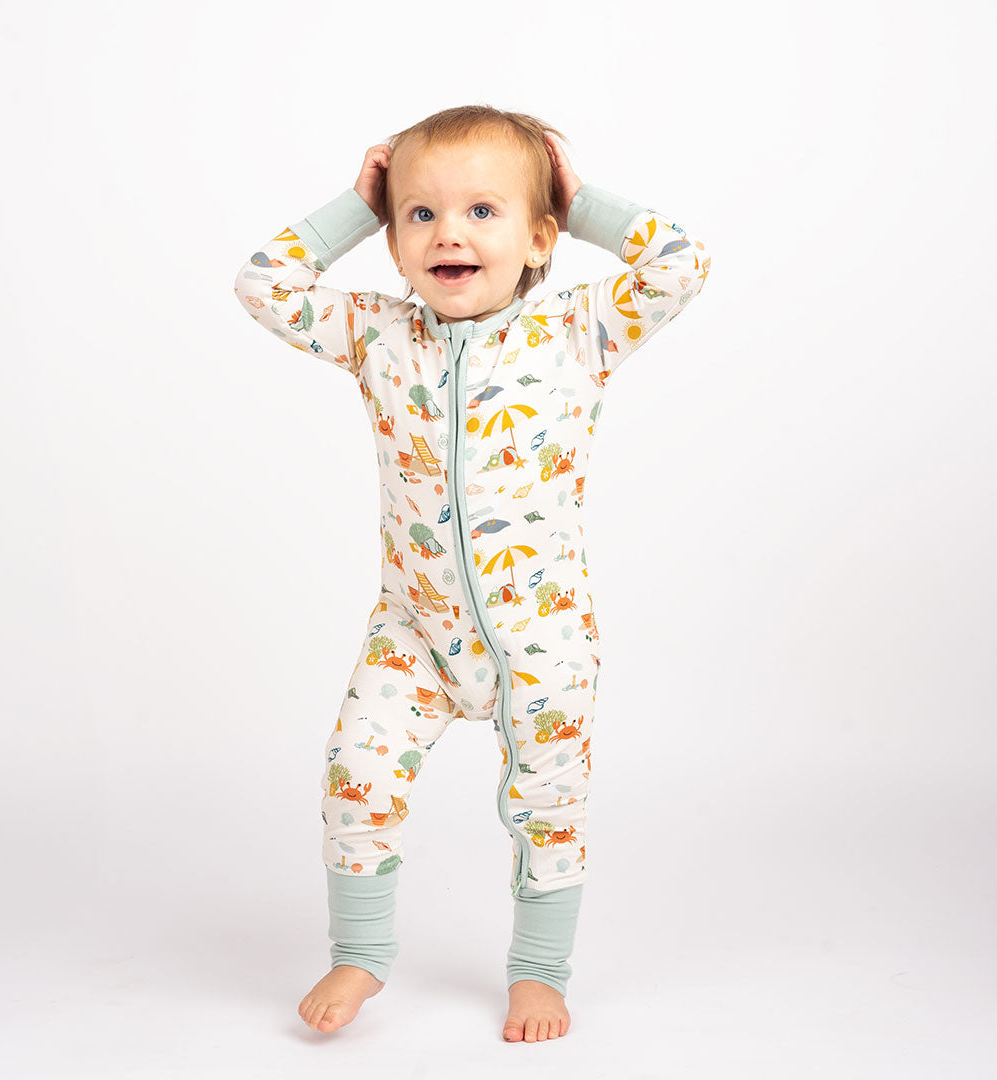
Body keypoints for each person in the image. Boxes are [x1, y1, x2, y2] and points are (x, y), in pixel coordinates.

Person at [232, 104, 712, 1043]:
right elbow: (264, 285)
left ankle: (538, 972)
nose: (449, 231)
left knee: (551, 804)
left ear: (540, 237)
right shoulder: (377, 335)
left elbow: (682, 263)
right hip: (412, 633)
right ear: (394, 241)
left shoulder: (579, 330)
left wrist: (579, 201)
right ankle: (360, 953)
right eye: (420, 215)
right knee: (354, 772)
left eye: (484, 211)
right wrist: (355, 205)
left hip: (542, 641)